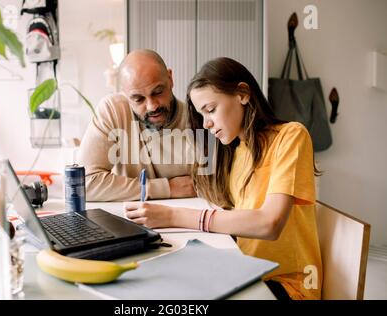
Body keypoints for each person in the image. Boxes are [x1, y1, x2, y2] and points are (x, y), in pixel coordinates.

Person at [125, 57, 323, 300]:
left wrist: (173, 215)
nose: (206, 123)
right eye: (201, 114)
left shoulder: (291, 136)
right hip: (246, 272)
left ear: (242, 94)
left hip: (288, 284)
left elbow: (269, 223)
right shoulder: (235, 151)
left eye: (210, 110)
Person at [77, 49, 197, 201]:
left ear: (170, 79)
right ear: (125, 94)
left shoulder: (198, 121)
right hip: (130, 219)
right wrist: (167, 188)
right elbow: (82, 184)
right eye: (138, 99)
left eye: (158, 92)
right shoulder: (113, 111)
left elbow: (215, 186)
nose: (152, 106)